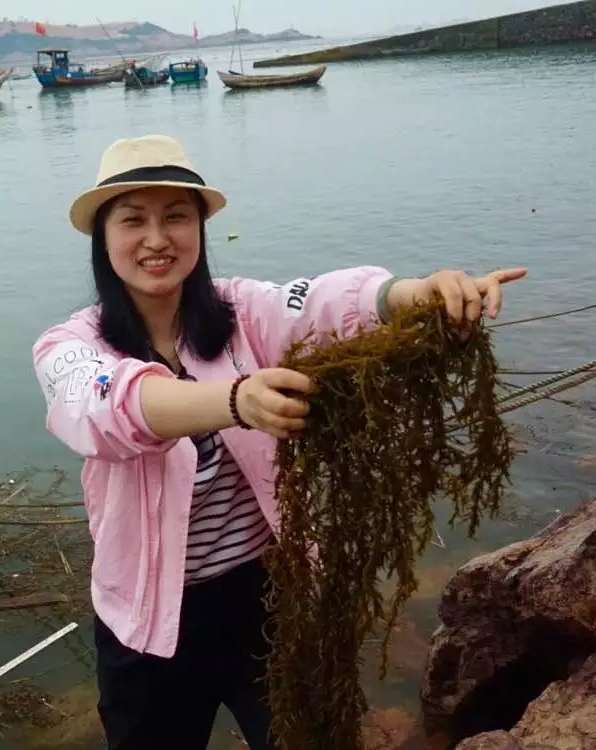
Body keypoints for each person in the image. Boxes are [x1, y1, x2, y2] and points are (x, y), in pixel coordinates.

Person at [30, 134, 526, 750]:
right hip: (147, 622)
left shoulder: (239, 309)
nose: (157, 239)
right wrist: (236, 401)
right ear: (103, 239)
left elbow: (318, 304)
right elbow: (108, 405)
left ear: (199, 230)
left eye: (176, 217)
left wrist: (415, 293)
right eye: (133, 220)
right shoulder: (70, 346)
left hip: (270, 601)